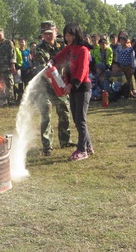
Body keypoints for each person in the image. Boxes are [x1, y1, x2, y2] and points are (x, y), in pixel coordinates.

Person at [50, 22, 93, 161]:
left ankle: (82, 150)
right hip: (73, 89)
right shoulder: (69, 49)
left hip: (82, 88)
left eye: (70, 35)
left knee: (80, 119)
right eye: (66, 35)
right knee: (77, 118)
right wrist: (52, 61)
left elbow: (82, 70)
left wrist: (72, 85)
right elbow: (60, 56)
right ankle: (88, 146)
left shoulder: (83, 50)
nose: (67, 38)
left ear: (76, 34)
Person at [33, 21, 74, 156]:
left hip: (61, 85)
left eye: (50, 33)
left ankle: (65, 140)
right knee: (46, 115)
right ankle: (47, 146)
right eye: (45, 34)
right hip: (44, 86)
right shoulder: (40, 49)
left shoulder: (63, 45)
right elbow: (44, 68)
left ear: (56, 32)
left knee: (64, 112)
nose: (48, 36)